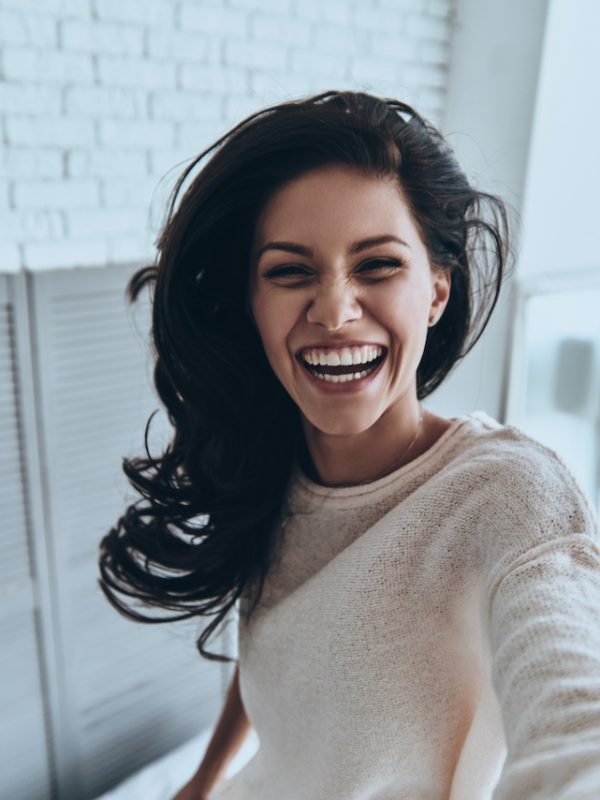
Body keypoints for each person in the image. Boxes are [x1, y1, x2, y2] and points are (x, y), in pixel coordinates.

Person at [98, 90, 600, 800]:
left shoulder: (511, 497)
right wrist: (203, 779)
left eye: (378, 265)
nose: (334, 311)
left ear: (436, 290)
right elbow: (286, 648)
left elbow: (575, 712)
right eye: (290, 271)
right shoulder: (273, 467)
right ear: (251, 302)